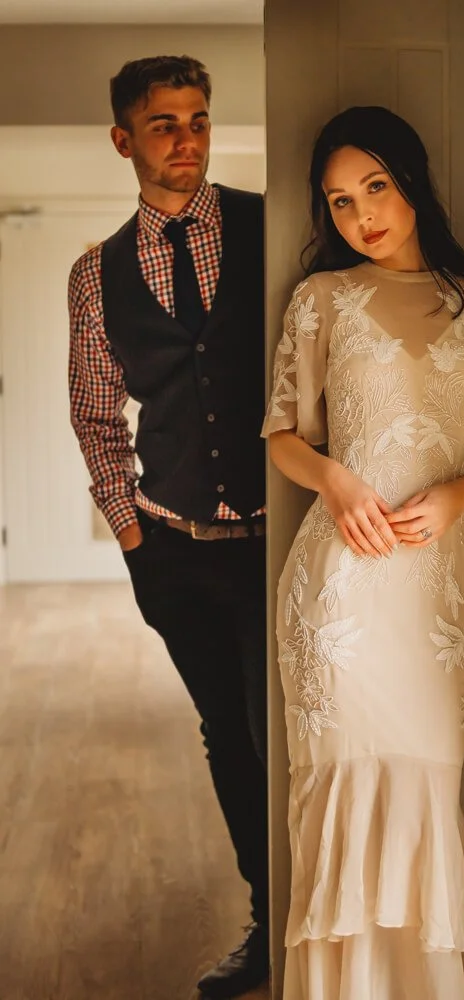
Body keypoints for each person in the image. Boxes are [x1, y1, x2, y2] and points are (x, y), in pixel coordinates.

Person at [262, 105, 464, 1000]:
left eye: (375, 187)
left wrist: (463, 494)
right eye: (339, 202)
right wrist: (334, 482)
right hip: (339, 593)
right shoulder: (320, 300)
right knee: (337, 798)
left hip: (436, 599)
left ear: (412, 179)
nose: (361, 216)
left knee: (428, 792)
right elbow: (282, 435)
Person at [68, 56, 269, 999]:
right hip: (175, 553)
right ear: (124, 140)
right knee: (226, 733)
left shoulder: (275, 226)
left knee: (290, 736)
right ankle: (271, 920)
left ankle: (327, 918)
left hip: (281, 545)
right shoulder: (94, 275)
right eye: (163, 125)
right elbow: (95, 415)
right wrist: (134, 542)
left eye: (198, 120)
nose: (187, 140)